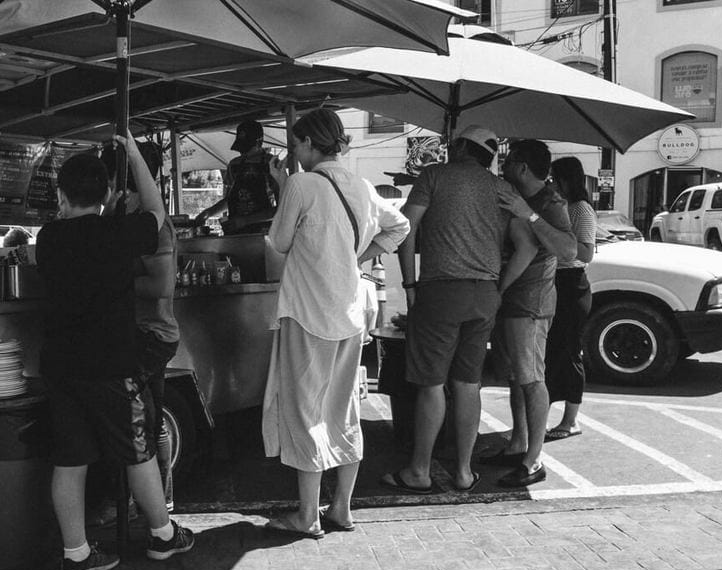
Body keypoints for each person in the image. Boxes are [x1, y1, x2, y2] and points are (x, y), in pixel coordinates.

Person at [35, 136, 194, 570]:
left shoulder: (47, 239)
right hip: (113, 365)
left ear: (61, 197)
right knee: (138, 452)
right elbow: (157, 212)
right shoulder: (117, 233)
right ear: (107, 195)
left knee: (70, 459)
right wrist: (139, 158)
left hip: (62, 367)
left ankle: (76, 555)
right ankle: (163, 536)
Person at [261, 109, 409, 537]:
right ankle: (341, 508)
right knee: (344, 409)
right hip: (349, 314)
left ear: (309, 143)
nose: (295, 152)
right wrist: (358, 258)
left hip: (308, 314)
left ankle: (307, 515)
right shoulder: (361, 186)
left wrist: (281, 188)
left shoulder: (300, 184)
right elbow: (399, 226)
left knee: (304, 410)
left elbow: (280, 242)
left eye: (297, 143)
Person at [380, 125, 536, 495]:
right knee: (469, 384)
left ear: (463, 147)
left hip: (439, 291)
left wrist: (409, 285)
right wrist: (498, 286)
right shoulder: (502, 189)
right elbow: (527, 247)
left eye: (453, 144)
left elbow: (405, 230)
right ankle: (465, 473)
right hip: (484, 295)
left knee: (432, 384)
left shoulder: (434, 176)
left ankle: (419, 471)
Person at [486, 139, 578, 489]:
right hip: (512, 300)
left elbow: (570, 250)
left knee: (530, 378)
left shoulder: (550, 202)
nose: (503, 167)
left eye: (508, 161)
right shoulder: (517, 195)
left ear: (523, 167)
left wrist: (529, 214)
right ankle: (518, 443)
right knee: (515, 377)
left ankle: (533, 459)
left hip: (531, 303)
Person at [101, 140, 180, 511]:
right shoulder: (119, 215)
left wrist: (111, 281)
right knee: (150, 420)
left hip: (152, 335)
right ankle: (157, 503)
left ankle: (151, 505)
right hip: (133, 333)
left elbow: (161, 286)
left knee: (140, 422)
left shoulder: (152, 224)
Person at [545, 156, 596, 441]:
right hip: (558, 283)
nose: (551, 182)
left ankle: (570, 420)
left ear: (567, 179)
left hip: (572, 284)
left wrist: (559, 244)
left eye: (554, 177)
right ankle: (549, 414)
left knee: (569, 353)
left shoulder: (580, 209)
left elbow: (586, 253)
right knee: (554, 352)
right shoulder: (563, 207)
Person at [195, 120, 282, 234]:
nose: (243, 153)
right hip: (236, 230)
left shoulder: (271, 164)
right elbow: (230, 200)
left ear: (258, 143)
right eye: (241, 149)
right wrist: (208, 213)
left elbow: (282, 207)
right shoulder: (234, 165)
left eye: (247, 148)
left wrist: (246, 220)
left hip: (263, 231)